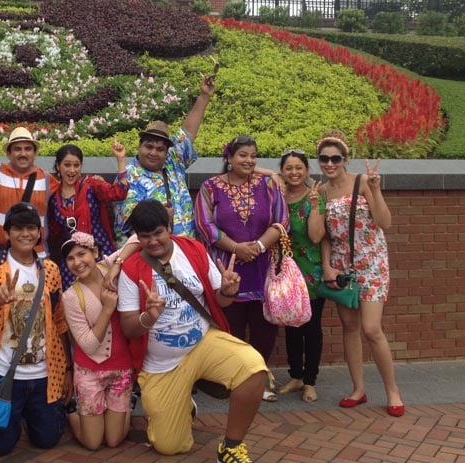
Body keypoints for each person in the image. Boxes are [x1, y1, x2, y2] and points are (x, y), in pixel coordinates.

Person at [117, 200, 270, 463]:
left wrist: (228, 291)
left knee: (253, 367)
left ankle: (231, 448)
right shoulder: (131, 268)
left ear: (169, 228)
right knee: (169, 446)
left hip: (202, 342)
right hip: (161, 364)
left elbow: (220, 301)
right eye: (145, 236)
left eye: (158, 233)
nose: (152, 242)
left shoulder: (192, 249)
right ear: (137, 237)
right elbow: (128, 328)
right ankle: (183, 403)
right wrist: (149, 317)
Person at [0, 202, 72, 456]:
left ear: (39, 232)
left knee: (47, 440)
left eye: (31, 228)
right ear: (7, 232)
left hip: (43, 373)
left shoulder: (50, 269)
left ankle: (30, 415)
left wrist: (68, 367)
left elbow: (59, 321)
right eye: (18, 228)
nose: (25, 234)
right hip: (4, 374)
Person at [317, 131, 404, 417]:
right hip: (342, 266)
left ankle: (392, 390)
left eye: (335, 158)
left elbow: (385, 222)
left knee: (371, 328)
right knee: (349, 326)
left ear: (345, 159)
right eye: (324, 158)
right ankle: (358, 388)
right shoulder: (322, 191)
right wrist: (328, 266)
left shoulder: (363, 181)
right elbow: (325, 236)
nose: (329, 164)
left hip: (372, 262)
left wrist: (376, 190)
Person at [195, 135, 288, 402]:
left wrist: (257, 247)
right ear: (230, 158)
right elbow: (205, 225)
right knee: (229, 324)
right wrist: (237, 248)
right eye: (243, 155)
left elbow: (282, 221)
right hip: (226, 267)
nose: (249, 160)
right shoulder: (210, 187)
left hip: (262, 267)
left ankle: (260, 379)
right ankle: (232, 378)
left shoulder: (268, 185)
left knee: (263, 326)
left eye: (253, 156)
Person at [114, 75, 215, 244]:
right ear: (139, 146)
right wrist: (158, 214)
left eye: (160, 149)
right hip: (154, 256)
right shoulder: (128, 177)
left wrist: (204, 97)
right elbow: (125, 223)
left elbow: (188, 133)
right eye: (149, 146)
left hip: (187, 250)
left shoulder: (172, 161)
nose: (154, 152)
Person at [61, 231, 134, 450]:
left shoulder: (109, 267)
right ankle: (72, 413)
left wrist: (118, 263)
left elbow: (137, 238)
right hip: (89, 371)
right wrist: (108, 309)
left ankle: (126, 406)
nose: (77, 262)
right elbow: (89, 345)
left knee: (113, 441)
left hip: (121, 368)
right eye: (71, 259)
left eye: (82, 254)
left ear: (94, 253)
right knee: (93, 443)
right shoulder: (71, 296)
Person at [273, 150, 326, 403]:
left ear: (307, 170)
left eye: (299, 168)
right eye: (288, 168)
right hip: (285, 272)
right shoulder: (278, 197)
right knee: (292, 326)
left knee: (311, 327)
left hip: (310, 272)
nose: (294, 172)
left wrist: (315, 207)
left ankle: (310, 381)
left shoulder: (314, 198)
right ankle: (295, 376)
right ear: (282, 171)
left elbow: (316, 237)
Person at [48, 140, 129, 285]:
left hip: (100, 253)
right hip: (73, 263)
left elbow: (119, 193)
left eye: (76, 165)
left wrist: (121, 159)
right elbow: (54, 233)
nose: (72, 170)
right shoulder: (54, 198)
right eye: (67, 165)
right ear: (58, 166)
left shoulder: (91, 185)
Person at [0, 127, 51, 260]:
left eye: (28, 149)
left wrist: (97, 181)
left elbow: (72, 188)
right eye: (17, 149)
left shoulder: (47, 179)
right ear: (9, 154)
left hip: (37, 256)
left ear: (34, 153)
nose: (23, 153)